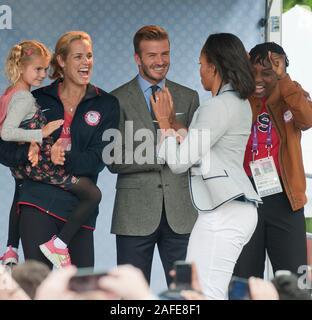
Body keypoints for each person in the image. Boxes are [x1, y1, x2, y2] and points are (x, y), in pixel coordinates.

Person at [151, 33, 262, 299]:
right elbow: (209, 148)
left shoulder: (217, 106)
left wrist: (164, 125)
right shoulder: (237, 103)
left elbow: (178, 163)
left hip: (226, 211)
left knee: (204, 293)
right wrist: (176, 128)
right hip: (225, 208)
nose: (199, 70)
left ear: (214, 67)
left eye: (201, 64)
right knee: (195, 290)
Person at [0, 31, 120, 269]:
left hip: (78, 212)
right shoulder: (35, 98)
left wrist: (61, 157)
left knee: (83, 288)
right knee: (39, 287)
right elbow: (4, 149)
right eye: (78, 57)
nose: (86, 62)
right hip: (37, 203)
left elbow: (99, 159)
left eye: (89, 56)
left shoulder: (107, 104)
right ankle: (10, 248)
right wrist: (29, 154)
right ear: (62, 62)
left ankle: (12, 248)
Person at [108, 25, 199, 286]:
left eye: (165, 54)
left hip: (182, 214)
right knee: (130, 294)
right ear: (137, 58)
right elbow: (113, 158)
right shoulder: (115, 100)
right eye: (152, 55)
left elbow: (195, 152)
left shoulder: (188, 97)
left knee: (187, 292)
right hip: (133, 215)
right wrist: (164, 152)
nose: (160, 61)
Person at [234, 42, 312, 279]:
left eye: (267, 73)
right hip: (245, 196)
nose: (258, 79)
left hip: (285, 198)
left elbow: (307, 120)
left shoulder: (292, 94)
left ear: (280, 71)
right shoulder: (239, 98)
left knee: (293, 281)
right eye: (253, 71)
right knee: (244, 281)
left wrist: (283, 80)